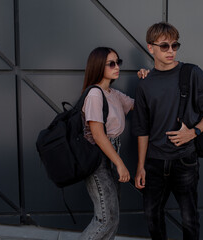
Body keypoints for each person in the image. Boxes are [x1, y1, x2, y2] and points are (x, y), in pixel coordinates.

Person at [133, 22, 203, 240]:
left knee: (189, 218)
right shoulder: (145, 83)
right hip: (153, 162)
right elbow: (142, 129)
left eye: (175, 45)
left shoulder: (191, 73)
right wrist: (141, 166)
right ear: (150, 48)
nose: (171, 51)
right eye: (164, 46)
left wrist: (194, 132)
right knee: (152, 216)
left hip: (184, 160)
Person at [80, 47, 134, 240]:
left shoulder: (112, 93)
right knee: (106, 219)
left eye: (118, 62)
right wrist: (120, 163)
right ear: (98, 66)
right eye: (111, 63)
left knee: (112, 217)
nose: (116, 66)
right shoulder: (95, 94)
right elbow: (98, 134)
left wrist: (148, 77)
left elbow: (138, 104)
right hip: (98, 160)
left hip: (109, 157)